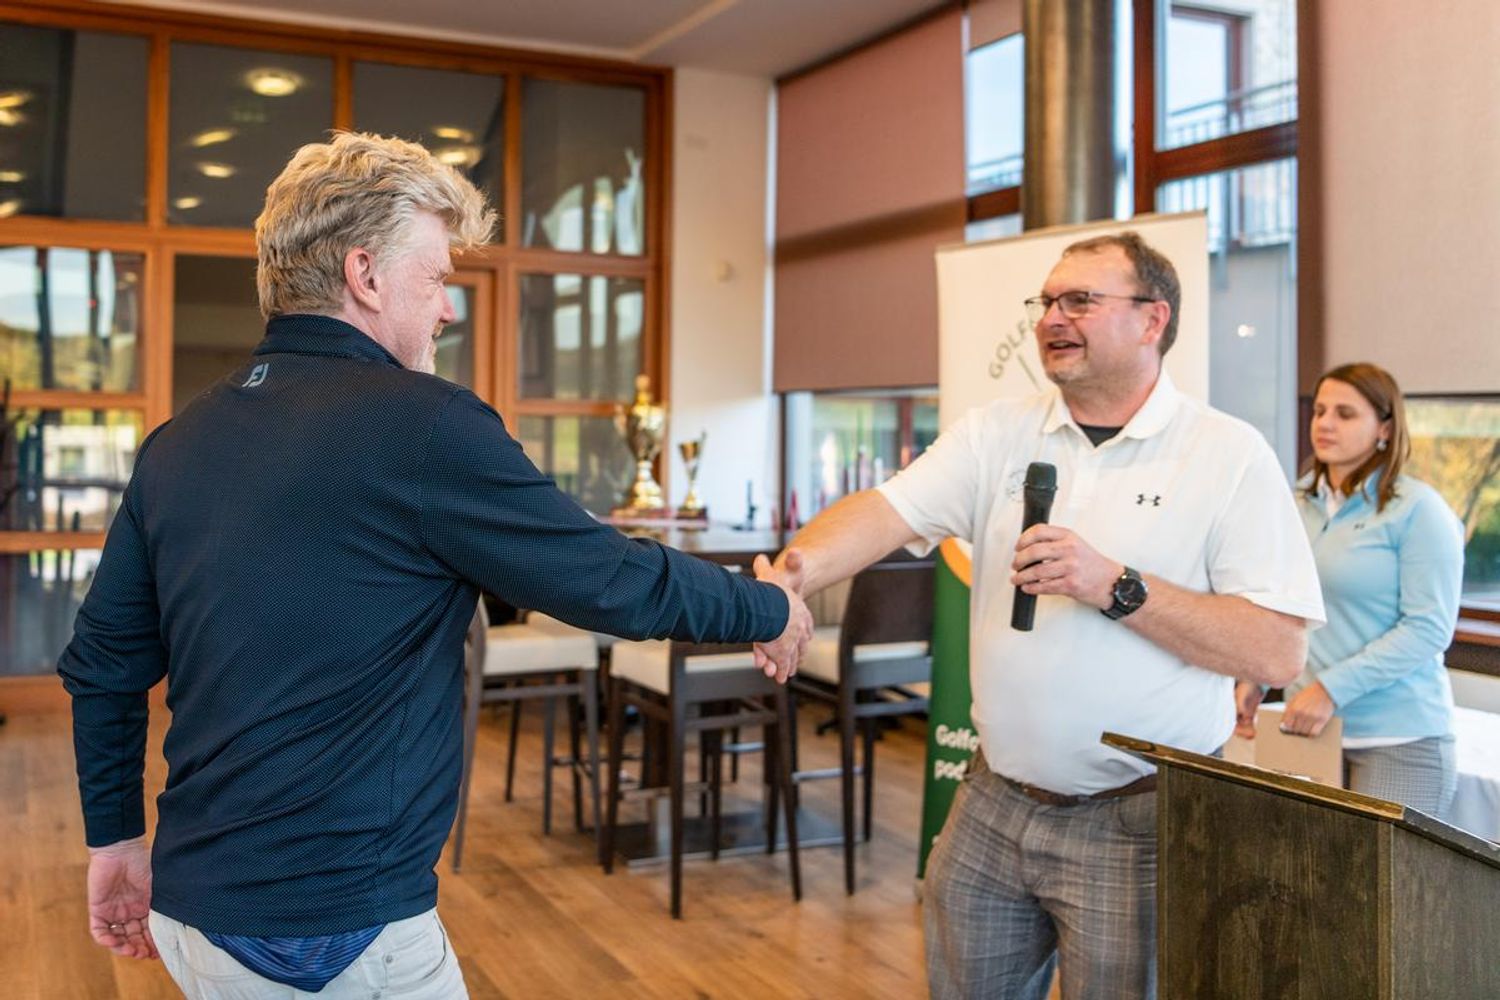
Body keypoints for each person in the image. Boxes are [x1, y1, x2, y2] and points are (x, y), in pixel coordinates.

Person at [57, 131, 812, 999]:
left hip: (194, 915)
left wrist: (115, 842)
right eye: (437, 277)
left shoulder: (177, 442)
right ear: (365, 274)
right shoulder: (425, 425)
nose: (449, 309)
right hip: (331, 937)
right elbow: (609, 579)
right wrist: (768, 607)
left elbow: (103, 667)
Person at [755, 231, 1325, 999]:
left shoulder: (1227, 455)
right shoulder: (997, 432)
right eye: (1047, 301)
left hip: (1139, 818)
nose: (1052, 317)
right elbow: (886, 512)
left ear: (1153, 319)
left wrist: (1114, 585)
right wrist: (791, 578)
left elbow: (1278, 651)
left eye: (1080, 300)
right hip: (992, 801)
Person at [1235, 362, 1464, 816]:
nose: (1324, 423)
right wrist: (1256, 677)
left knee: (1383, 867)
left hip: (1398, 738)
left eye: (1345, 414)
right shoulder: (1297, 501)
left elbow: (1428, 629)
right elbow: (1283, 603)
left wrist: (1329, 690)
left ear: (1385, 428)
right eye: (1320, 411)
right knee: (1303, 864)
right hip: (1306, 731)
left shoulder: (1419, 510)